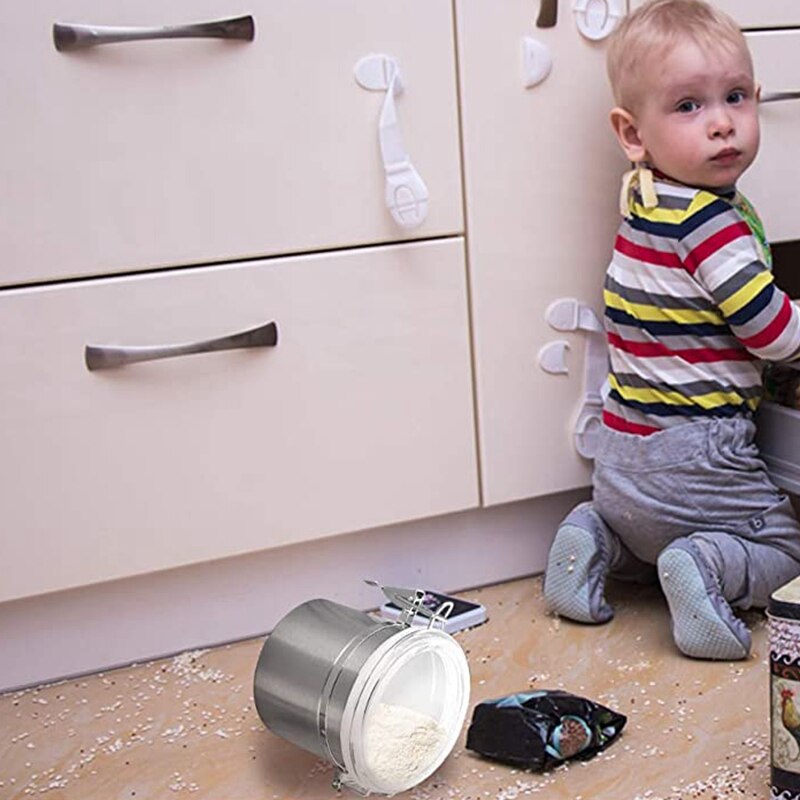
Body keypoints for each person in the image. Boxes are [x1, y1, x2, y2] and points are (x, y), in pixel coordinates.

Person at [543, 0, 800, 661]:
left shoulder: (643, 203)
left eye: (735, 97)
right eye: (689, 106)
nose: (721, 124)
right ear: (633, 133)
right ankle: (707, 565)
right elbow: (770, 332)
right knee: (784, 550)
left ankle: (597, 537)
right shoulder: (713, 226)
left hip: (620, 462)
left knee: (646, 536)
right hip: (700, 461)